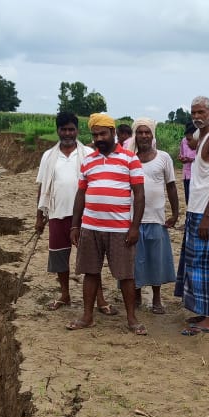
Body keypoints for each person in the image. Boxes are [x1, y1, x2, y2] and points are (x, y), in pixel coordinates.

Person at [66, 113, 147, 335]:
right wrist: (75, 226)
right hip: (90, 228)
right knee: (90, 273)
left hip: (120, 229)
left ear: (113, 133)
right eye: (95, 134)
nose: (99, 138)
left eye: (103, 133)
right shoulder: (88, 161)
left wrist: (134, 227)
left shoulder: (131, 159)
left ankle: (131, 319)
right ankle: (87, 316)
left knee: (126, 275)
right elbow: (80, 195)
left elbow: (139, 196)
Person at [34, 112, 115, 314]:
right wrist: (39, 216)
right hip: (56, 213)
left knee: (91, 260)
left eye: (71, 129)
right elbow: (43, 186)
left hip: (86, 215)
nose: (68, 133)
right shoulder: (48, 156)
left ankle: (100, 299)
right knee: (60, 257)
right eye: (64, 129)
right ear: (58, 131)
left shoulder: (89, 153)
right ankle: (64, 294)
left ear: (77, 131)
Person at [176, 96, 209, 335]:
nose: (197, 116)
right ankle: (207, 312)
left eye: (201, 112)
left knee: (206, 265)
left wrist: (207, 216)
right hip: (197, 209)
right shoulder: (203, 137)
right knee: (196, 263)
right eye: (193, 112)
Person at [129, 117, 179, 314]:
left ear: (152, 134)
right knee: (135, 260)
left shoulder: (164, 157)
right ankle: (137, 294)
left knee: (156, 259)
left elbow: (172, 187)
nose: (143, 136)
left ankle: (157, 298)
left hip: (157, 218)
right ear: (135, 135)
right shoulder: (129, 158)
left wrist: (175, 213)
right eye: (140, 132)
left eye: (147, 132)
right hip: (133, 219)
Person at [179, 122, 197, 204]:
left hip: (195, 174)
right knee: (188, 198)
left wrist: (191, 159)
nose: (188, 142)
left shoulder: (200, 143)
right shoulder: (183, 140)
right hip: (186, 174)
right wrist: (181, 158)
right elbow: (181, 153)